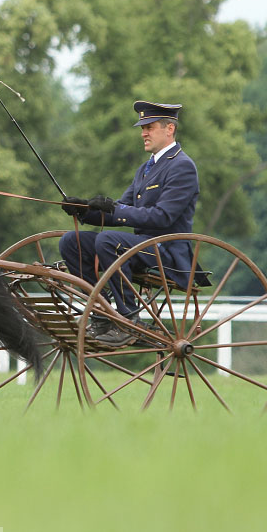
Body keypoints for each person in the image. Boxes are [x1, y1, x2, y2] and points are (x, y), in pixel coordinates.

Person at [58, 100, 202, 347]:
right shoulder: (144, 170)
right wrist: (85, 210)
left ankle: (128, 318)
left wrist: (116, 209)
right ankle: (101, 309)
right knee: (72, 241)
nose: (143, 133)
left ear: (170, 129)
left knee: (108, 241)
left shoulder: (182, 167)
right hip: (138, 247)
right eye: (142, 128)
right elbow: (118, 209)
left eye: (150, 127)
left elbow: (162, 216)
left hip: (166, 250)